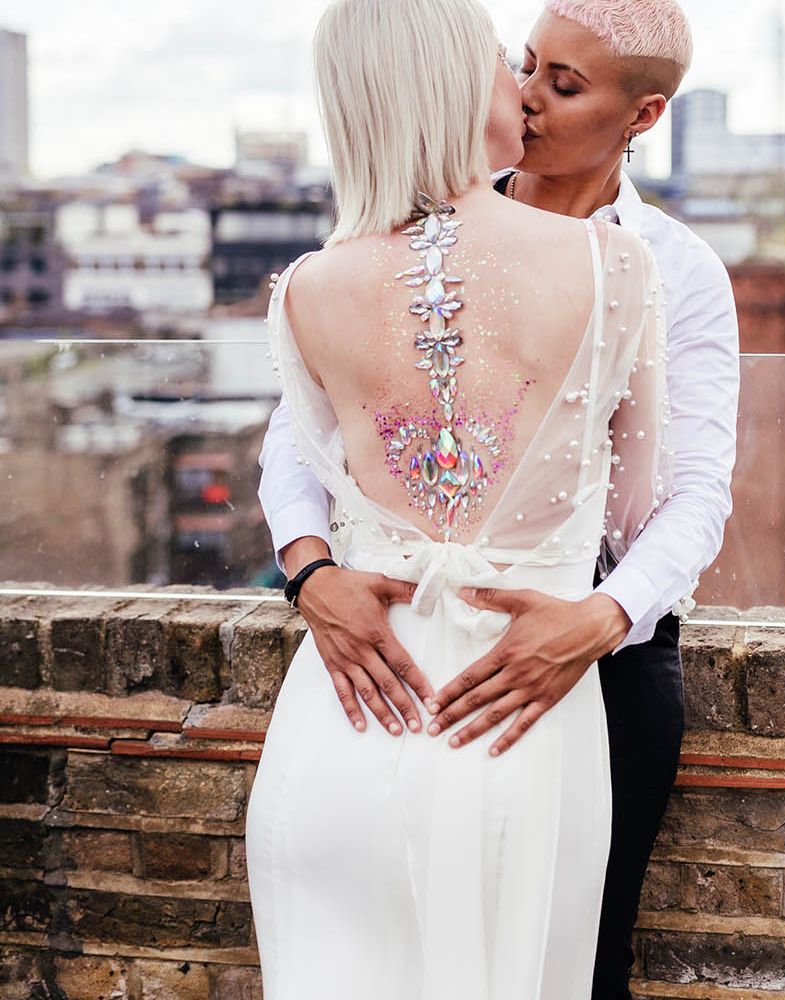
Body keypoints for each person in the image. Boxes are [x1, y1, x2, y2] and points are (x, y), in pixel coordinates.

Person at [256, 1, 740, 997]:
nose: (526, 95)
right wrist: (310, 572)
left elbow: (693, 496)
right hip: (378, 659)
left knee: (581, 967)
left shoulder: (677, 269)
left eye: (563, 84)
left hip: (598, 659)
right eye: (521, 65)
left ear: (642, 115)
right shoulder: (379, 243)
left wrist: (600, 616)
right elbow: (294, 449)